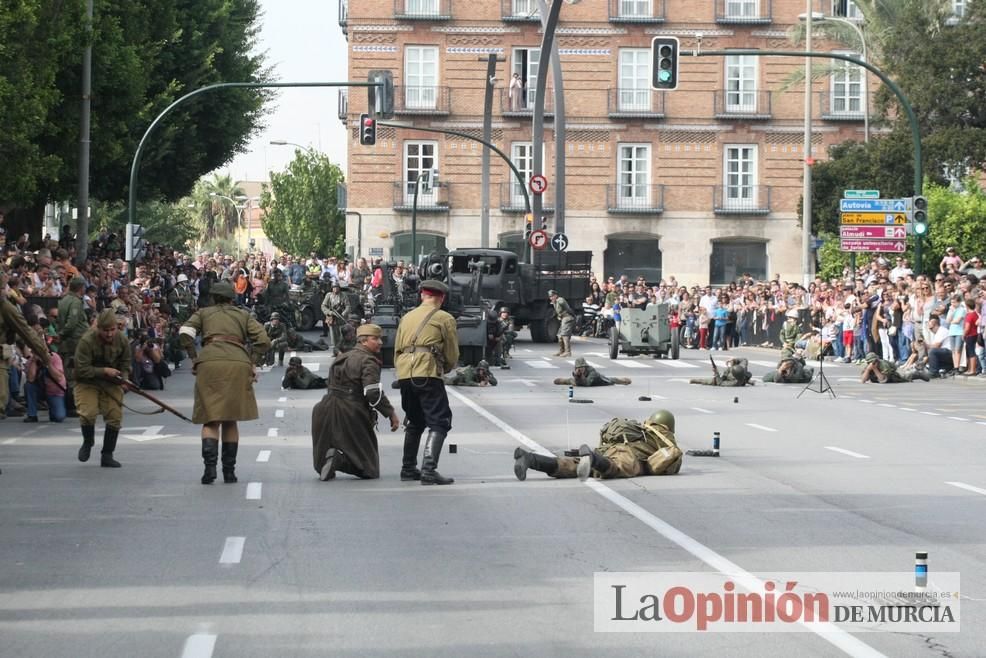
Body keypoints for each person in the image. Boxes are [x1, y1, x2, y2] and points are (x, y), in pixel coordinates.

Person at [180, 281, 270, 485]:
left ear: (212, 297)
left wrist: (194, 357)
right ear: (232, 298)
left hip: (209, 362)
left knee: (211, 419)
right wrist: (252, 361)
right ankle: (229, 472)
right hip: (238, 362)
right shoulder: (243, 315)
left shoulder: (203, 313)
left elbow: (185, 332)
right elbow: (263, 340)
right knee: (230, 419)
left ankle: (209, 470)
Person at [311, 324, 399, 480]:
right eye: (375, 339)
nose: (380, 342)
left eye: (380, 339)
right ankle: (338, 461)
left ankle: (330, 460)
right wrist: (390, 413)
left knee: (321, 464)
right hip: (350, 410)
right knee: (370, 470)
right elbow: (372, 392)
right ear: (363, 341)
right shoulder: (368, 361)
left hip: (324, 408)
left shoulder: (341, 357)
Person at [394, 279, 459, 485]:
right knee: (440, 421)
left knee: (415, 421)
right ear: (441, 298)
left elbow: (397, 348)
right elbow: (452, 352)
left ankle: (408, 468)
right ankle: (429, 470)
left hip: (405, 373)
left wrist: (403, 371)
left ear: (422, 296)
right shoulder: (444, 317)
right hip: (428, 372)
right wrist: (445, 368)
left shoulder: (407, 317)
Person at [512, 410, 682, 481]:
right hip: (629, 454)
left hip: (609, 448)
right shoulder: (665, 435)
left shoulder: (642, 428)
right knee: (617, 468)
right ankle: (593, 459)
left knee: (571, 466)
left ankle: (530, 459)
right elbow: (673, 461)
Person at [74, 309, 131, 468]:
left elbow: (126, 363)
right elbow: (81, 369)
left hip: (112, 382)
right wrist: (104, 370)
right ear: (98, 328)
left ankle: (107, 454)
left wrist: (124, 379)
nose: (109, 334)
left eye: (112, 330)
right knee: (88, 412)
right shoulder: (87, 341)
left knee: (114, 416)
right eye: (105, 330)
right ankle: (88, 441)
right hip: (87, 381)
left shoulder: (122, 340)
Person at [553, 357, 630, 386]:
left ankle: (622, 380)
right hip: (585, 379)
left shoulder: (592, 372)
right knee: (570, 381)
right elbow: (574, 381)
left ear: (585, 366)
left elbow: (587, 383)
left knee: (611, 380)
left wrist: (579, 377)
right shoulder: (578, 372)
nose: (580, 369)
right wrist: (576, 376)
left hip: (600, 380)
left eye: (582, 367)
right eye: (578, 368)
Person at [549, 289, 575, 357]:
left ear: (556, 295)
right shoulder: (554, 303)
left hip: (567, 317)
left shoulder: (560, 300)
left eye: (552, 296)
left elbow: (568, 309)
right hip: (563, 318)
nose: (551, 298)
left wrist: (572, 315)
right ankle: (562, 351)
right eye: (550, 296)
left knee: (565, 335)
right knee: (559, 335)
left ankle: (568, 352)